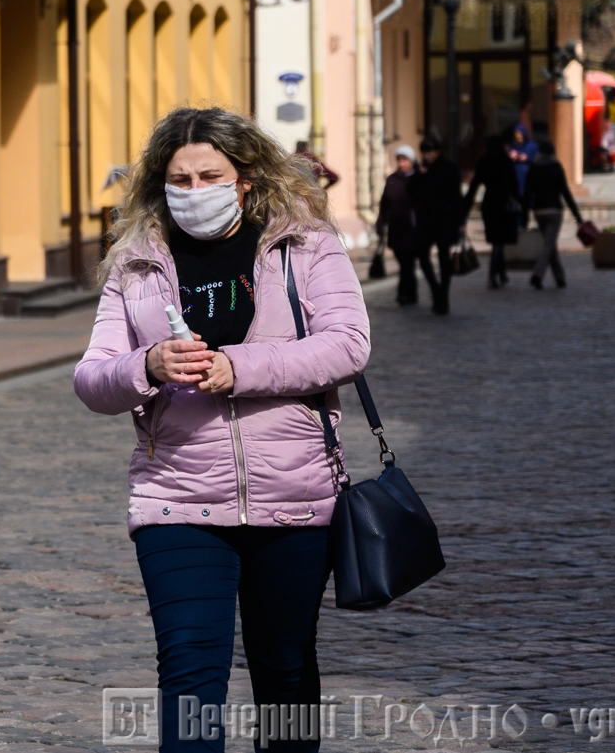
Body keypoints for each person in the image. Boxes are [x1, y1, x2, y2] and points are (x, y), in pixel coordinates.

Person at [74, 107, 370, 753]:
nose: (194, 189)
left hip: (294, 496)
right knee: (188, 675)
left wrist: (238, 368)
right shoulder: (138, 261)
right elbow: (92, 377)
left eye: (210, 174)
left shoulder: (303, 243)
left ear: (246, 177)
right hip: (177, 494)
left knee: (284, 670)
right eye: (179, 178)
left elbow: (347, 346)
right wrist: (146, 366)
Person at [411, 138, 463, 315]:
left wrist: (461, 222)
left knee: (443, 257)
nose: (427, 155)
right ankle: (435, 289)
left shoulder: (449, 167)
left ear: (438, 151)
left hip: (444, 220)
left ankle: (444, 297)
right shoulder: (421, 169)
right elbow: (411, 190)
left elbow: (457, 196)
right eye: (425, 152)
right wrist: (420, 173)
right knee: (422, 255)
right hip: (425, 220)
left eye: (430, 151)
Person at [523, 139, 582, 289]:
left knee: (550, 244)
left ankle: (560, 278)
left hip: (539, 210)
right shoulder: (556, 166)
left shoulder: (534, 168)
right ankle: (537, 275)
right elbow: (565, 193)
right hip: (555, 210)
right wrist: (577, 216)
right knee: (549, 244)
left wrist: (525, 213)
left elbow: (528, 192)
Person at [464, 133, 520, 289]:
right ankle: (492, 275)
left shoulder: (483, 162)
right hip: (503, 203)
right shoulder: (505, 161)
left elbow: (473, 187)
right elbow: (514, 184)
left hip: (489, 204)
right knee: (499, 242)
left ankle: (501, 275)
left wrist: (464, 210)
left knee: (497, 240)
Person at [377, 145, 420, 306]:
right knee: (403, 261)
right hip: (396, 228)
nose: (402, 163)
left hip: (412, 228)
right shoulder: (392, 179)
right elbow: (384, 203)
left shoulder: (417, 178)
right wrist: (380, 224)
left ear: (412, 161)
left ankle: (404, 293)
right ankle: (410, 291)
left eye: (405, 160)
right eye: (399, 160)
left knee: (408, 262)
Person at [507, 123, 538, 196]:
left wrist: (527, 158)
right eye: (517, 134)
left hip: (528, 175)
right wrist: (510, 156)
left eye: (521, 134)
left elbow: (538, 160)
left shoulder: (532, 145)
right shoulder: (512, 146)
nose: (519, 136)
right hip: (515, 176)